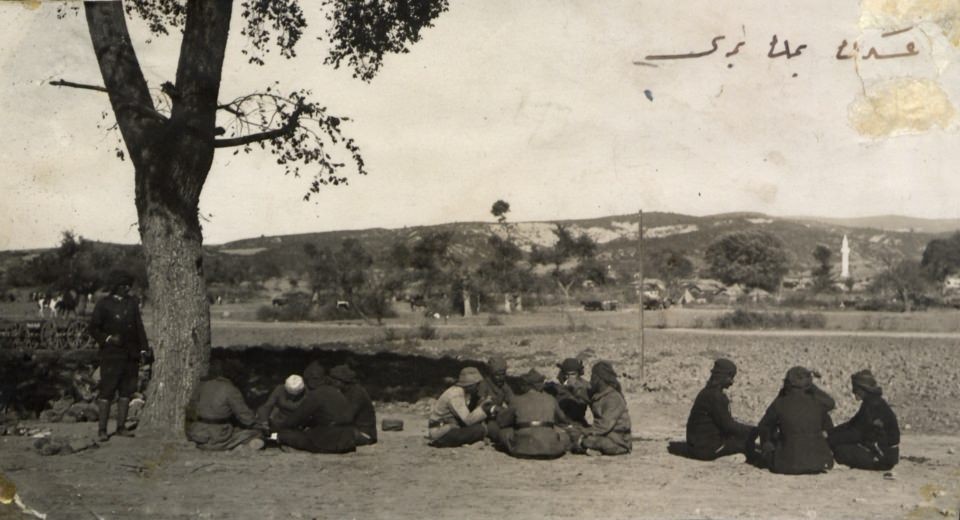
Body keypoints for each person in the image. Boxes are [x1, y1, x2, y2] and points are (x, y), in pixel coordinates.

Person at [88, 270, 152, 442]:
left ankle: (121, 427)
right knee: (107, 391)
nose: (127, 289)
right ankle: (102, 430)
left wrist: (144, 349)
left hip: (131, 355)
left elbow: (139, 327)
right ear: (115, 287)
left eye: (128, 286)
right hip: (111, 355)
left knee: (126, 391)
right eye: (123, 286)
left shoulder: (132, 303)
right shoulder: (103, 304)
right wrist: (108, 339)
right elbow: (93, 328)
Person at [669, 358, 757, 461]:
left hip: (695, 446)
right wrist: (754, 430)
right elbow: (729, 426)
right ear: (723, 377)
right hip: (705, 449)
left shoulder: (706, 392)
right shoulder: (716, 397)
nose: (732, 382)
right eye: (730, 377)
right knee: (746, 443)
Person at [757, 366, 834, 474]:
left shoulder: (781, 402)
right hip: (818, 463)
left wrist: (767, 444)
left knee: (772, 432)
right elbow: (831, 403)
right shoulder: (818, 402)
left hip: (787, 465)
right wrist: (812, 386)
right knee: (823, 416)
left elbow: (763, 426)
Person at [274, 361, 357, 454]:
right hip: (347, 442)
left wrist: (279, 427)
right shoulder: (337, 392)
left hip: (328, 445)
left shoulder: (315, 395)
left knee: (284, 434)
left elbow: (294, 420)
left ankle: (274, 439)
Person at [828, 370, 900, 471]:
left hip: (883, 458)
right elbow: (852, 424)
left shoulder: (873, 405)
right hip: (885, 453)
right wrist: (830, 432)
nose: (853, 392)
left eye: (855, 389)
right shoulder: (872, 402)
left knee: (840, 450)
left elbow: (856, 433)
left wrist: (830, 439)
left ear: (863, 389)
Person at [186, 360, 264, 451]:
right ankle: (237, 447)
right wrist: (259, 424)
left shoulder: (203, 385)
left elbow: (191, 407)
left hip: (197, 432)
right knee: (257, 433)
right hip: (217, 435)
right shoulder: (231, 390)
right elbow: (246, 418)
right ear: (236, 376)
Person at [495, 369, 572, 459]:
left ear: (526, 386)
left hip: (523, 449)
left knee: (503, 432)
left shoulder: (516, 400)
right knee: (563, 434)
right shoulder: (550, 398)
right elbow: (563, 419)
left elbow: (502, 422)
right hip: (551, 450)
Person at [573, 361, 632, 456]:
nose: (591, 379)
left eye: (593, 376)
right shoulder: (599, 394)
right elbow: (583, 393)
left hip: (618, 441)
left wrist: (584, 431)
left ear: (599, 379)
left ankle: (586, 448)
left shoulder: (613, 398)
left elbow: (604, 426)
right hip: (605, 435)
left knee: (586, 440)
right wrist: (572, 385)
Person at [427, 367, 495, 448]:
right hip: (441, 433)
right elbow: (468, 420)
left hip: (445, 428)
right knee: (480, 430)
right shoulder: (456, 395)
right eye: (477, 385)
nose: (478, 388)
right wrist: (483, 407)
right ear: (470, 385)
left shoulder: (459, 391)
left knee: (477, 429)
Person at [329, 365, 378, 446]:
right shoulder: (346, 391)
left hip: (364, 434)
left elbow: (347, 417)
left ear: (342, 381)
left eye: (335, 381)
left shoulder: (357, 393)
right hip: (352, 430)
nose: (333, 383)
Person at [545, 358, 591, 427]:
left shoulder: (585, 386)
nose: (568, 377)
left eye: (572, 374)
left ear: (579, 373)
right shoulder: (558, 385)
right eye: (566, 374)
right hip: (559, 422)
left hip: (577, 421)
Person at [476, 356, 514, 439]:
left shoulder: (504, 386)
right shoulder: (484, 385)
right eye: (497, 375)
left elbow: (512, 400)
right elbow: (480, 404)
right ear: (491, 374)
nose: (501, 378)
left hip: (500, 417)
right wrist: (494, 408)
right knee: (497, 432)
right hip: (486, 419)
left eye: (503, 374)